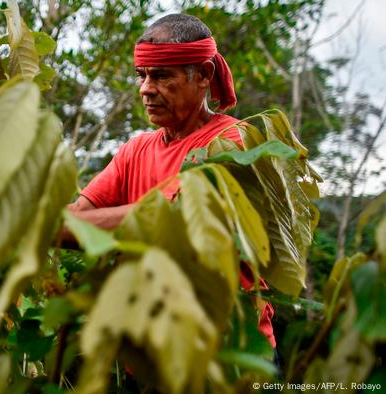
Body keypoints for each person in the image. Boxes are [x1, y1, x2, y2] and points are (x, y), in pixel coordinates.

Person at [67, 14, 276, 349]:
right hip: (150, 353)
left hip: (227, 351)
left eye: (161, 76)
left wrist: (50, 223)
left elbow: (166, 219)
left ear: (204, 75)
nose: (146, 89)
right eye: (142, 76)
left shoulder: (233, 142)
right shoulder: (135, 150)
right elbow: (78, 215)